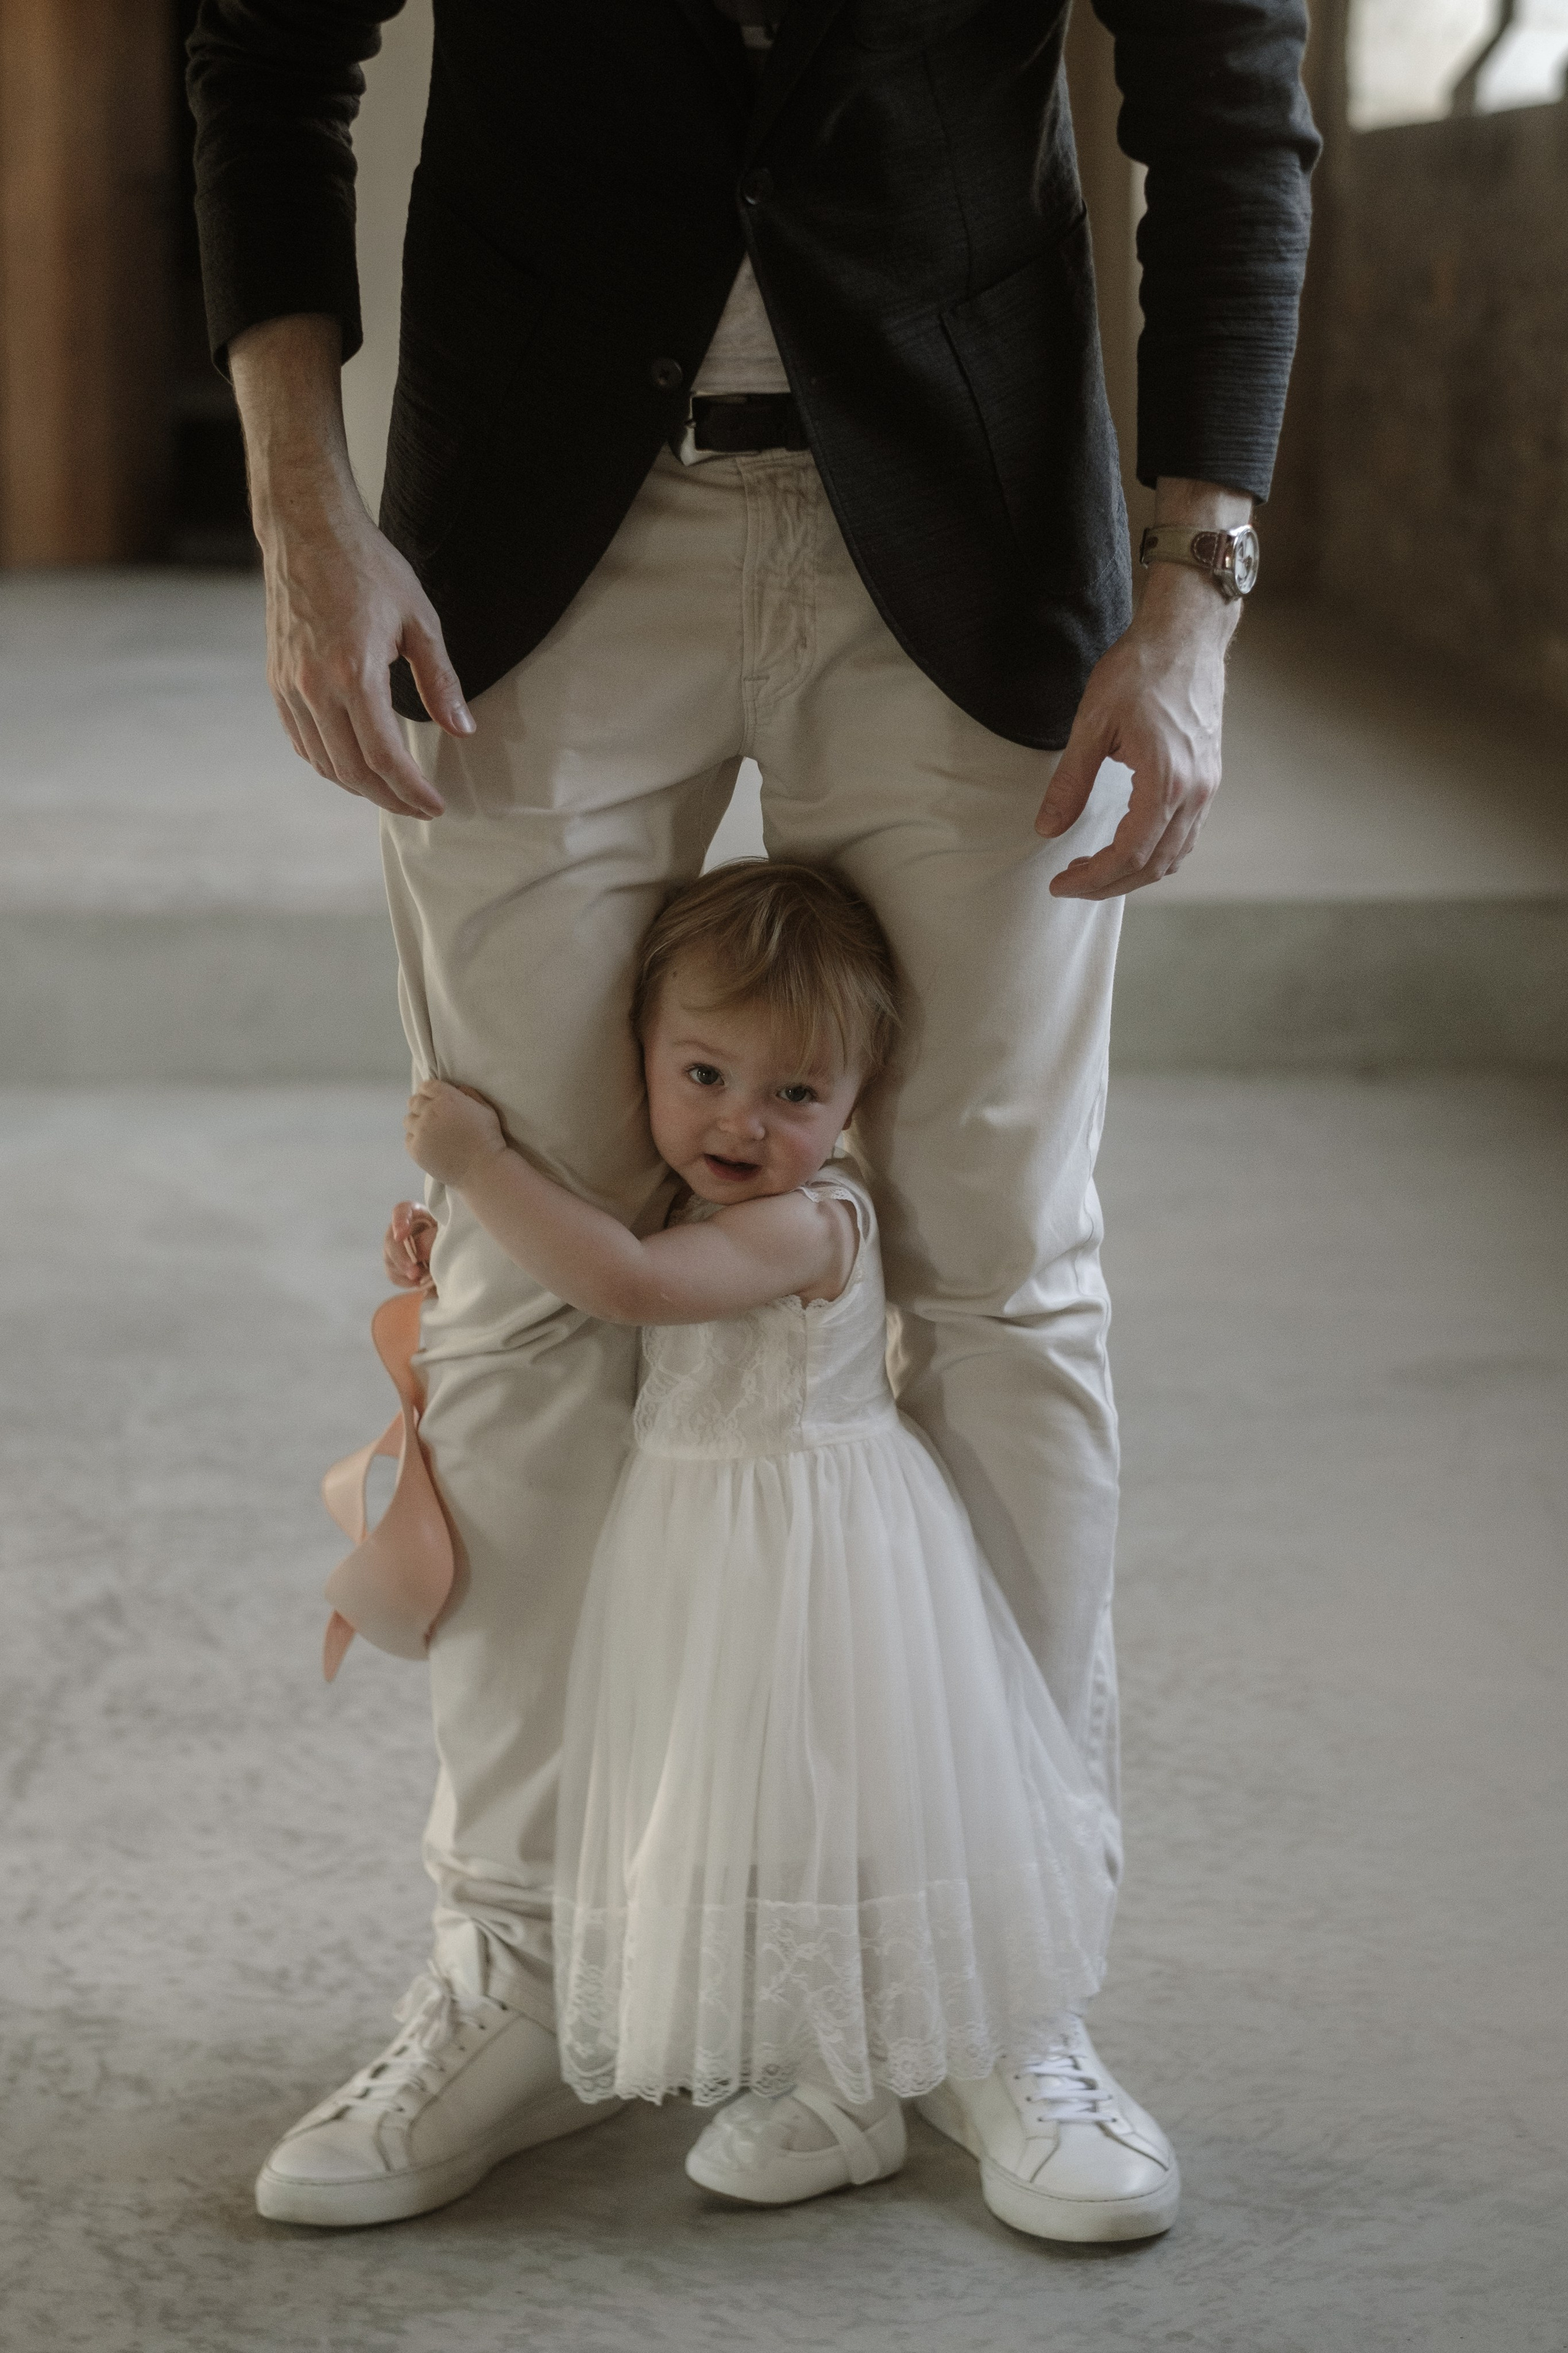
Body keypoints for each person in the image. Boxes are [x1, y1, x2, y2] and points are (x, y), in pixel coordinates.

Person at [189, 0, 1318, 2242]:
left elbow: (1232, 110)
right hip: (529, 541)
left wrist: (1194, 595)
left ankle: (1005, 1987)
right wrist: (307, 520)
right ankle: (511, 1962)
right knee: (519, 1279)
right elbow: (260, 52)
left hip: (974, 534)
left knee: (1001, 1276)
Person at [386, 861, 1137, 2215]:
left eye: (796, 1093)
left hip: (806, 1552)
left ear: (858, 1102)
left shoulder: (808, 1219)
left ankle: (855, 2084)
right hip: (706, 1545)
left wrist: (483, 1168)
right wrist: (458, 1234)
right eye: (704, 1073)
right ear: (643, 1059)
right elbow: (608, 1248)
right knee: (730, 1803)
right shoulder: (700, 1192)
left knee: (826, 1801)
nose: (743, 1122)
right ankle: (803, 2062)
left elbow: (624, 1280)